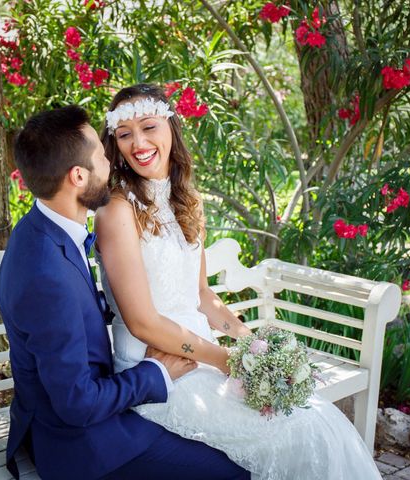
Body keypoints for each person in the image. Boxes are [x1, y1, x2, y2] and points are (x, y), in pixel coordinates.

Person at [95, 84, 382, 480]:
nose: (138, 143)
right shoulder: (116, 211)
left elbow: (201, 295)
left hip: (202, 356)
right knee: (297, 431)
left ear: (171, 129)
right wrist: (229, 362)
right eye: (124, 134)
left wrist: (253, 347)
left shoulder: (187, 200)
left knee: (317, 418)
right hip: (158, 368)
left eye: (148, 127)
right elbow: (143, 322)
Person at [0, 105, 251, 480]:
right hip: (78, 444)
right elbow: (76, 404)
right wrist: (155, 372)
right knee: (236, 470)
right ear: (79, 176)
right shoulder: (46, 272)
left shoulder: (43, 229)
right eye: (102, 156)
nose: (112, 162)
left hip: (94, 413)